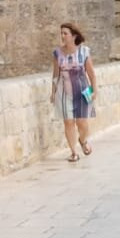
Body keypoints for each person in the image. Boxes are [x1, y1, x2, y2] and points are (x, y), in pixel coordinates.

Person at [50, 22, 97, 162]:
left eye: (65, 33)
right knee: (68, 122)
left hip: (83, 92)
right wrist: (53, 92)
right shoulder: (57, 53)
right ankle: (73, 152)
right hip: (64, 93)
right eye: (61, 33)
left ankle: (83, 140)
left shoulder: (84, 51)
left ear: (73, 36)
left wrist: (94, 90)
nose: (62, 36)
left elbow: (91, 74)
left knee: (82, 123)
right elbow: (55, 75)